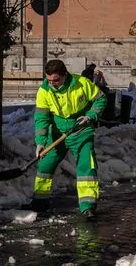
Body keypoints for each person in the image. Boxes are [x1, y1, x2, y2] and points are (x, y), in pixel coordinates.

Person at [32, 60, 107, 218]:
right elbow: (42, 118)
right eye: (49, 80)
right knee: (45, 165)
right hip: (57, 132)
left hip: (81, 129)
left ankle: (88, 206)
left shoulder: (81, 84)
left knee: (86, 165)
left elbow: (101, 99)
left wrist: (91, 115)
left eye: (56, 80)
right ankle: (39, 202)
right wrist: (40, 141)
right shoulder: (44, 90)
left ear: (64, 75)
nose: (52, 84)